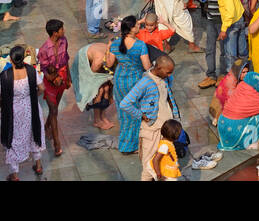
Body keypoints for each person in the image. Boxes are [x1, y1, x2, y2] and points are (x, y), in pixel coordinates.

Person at [119, 54, 183, 181]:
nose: (170, 75)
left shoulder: (164, 78)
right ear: (158, 68)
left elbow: (168, 98)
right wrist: (140, 115)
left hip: (166, 130)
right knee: (148, 167)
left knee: (162, 163)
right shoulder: (145, 83)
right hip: (151, 131)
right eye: (168, 72)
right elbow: (125, 103)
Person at [0, 45, 45, 180]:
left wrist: (4, 106)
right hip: (32, 109)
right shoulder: (31, 71)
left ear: (11, 60)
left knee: (13, 139)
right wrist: (33, 96)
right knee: (33, 133)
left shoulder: (5, 75)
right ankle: (38, 165)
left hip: (14, 113)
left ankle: (15, 175)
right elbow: (42, 88)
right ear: (23, 58)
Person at [112, 16, 152, 154]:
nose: (139, 27)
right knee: (135, 113)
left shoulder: (115, 44)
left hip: (119, 81)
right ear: (132, 29)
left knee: (123, 111)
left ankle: (124, 142)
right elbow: (147, 66)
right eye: (137, 25)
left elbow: (110, 63)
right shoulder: (140, 45)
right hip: (135, 81)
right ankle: (130, 146)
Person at [37, 19, 70, 157]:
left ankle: (46, 127)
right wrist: (52, 78)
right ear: (55, 33)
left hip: (62, 78)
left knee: (54, 108)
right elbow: (43, 68)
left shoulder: (64, 41)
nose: (64, 31)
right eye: (62, 29)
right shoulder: (44, 49)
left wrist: (68, 78)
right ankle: (57, 143)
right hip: (50, 82)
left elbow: (66, 59)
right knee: (54, 110)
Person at [73, 42, 117, 130]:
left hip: (98, 56)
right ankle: (97, 119)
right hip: (85, 59)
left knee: (108, 88)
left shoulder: (115, 56)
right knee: (99, 90)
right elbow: (92, 81)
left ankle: (103, 116)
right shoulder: (98, 61)